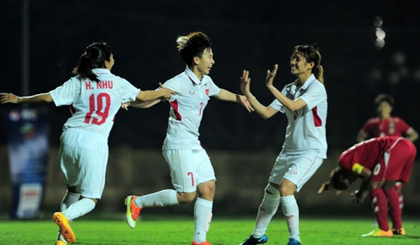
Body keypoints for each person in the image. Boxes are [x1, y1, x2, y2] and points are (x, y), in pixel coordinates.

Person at [0, 41, 173, 245]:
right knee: (91, 199)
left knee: (73, 190)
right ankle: (66, 217)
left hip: (70, 138)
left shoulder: (79, 81)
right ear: (107, 61)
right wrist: (164, 92)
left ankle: (61, 239)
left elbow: (48, 98)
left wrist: (19, 100)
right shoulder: (117, 83)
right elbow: (144, 96)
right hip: (94, 141)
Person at [124, 31, 253, 245]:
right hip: (178, 144)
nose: (213, 61)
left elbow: (219, 92)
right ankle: (137, 202)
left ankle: (199, 240)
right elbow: (151, 99)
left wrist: (241, 98)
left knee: (208, 187)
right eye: (209, 56)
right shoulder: (178, 83)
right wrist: (131, 102)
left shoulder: (205, 81)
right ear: (196, 59)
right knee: (187, 196)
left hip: (193, 144)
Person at [238, 45, 327, 245]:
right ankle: (257, 236)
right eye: (292, 58)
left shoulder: (316, 88)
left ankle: (295, 240)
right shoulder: (289, 88)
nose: (293, 62)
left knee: (286, 189)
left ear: (311, 65)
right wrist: (248, 93)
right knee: (271, 191)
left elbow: (294, 106)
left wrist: (270, 87)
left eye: (298, 59)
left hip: (311, 151)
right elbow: (266, 113)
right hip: (289, 151)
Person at [318, 136, 416, 237]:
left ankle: (384, 230)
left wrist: (360, 194)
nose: (354, 180)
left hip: (395, 147)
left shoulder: (345, 162)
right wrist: (361, 193)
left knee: (375, 185)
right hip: (408, 146)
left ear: (343, 176)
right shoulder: (354, 161)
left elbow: (368, 175)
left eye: (350, 181)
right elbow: (368, 175)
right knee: (387, 187)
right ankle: (398, 228)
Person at [356, 94, 418, 220]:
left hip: (394, 160)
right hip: (378, 161)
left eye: (385, 105)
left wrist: (403, 146)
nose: (383, 108)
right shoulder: (372, 123)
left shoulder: (397, 122)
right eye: (380, 106)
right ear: (377, 108)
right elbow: (360, 137)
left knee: (395, 189)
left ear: (391, 108)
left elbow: (413, 135)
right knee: (376, 188)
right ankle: (379, 220)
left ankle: (397, 221)